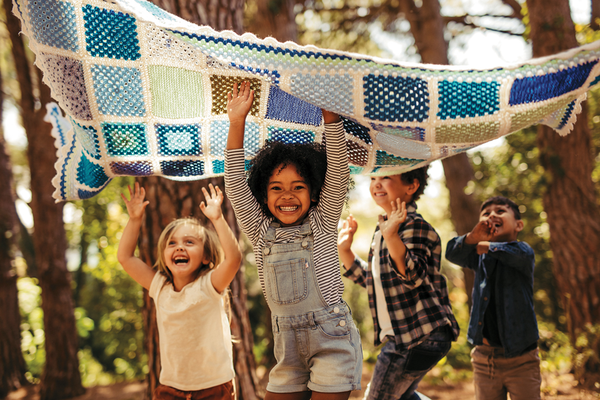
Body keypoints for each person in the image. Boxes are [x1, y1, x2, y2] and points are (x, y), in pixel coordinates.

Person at [224, 81, 362, 400]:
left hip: (332, 340)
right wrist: (237, 123)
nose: (287, 195)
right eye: (276, 188)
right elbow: (234, 184)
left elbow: (338, 172)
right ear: (262, 195)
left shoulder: (323, 221)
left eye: (298, 187)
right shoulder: (259, 230)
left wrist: (331, 118)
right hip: (285, 348)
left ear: (314, 194)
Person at [337, 167, 459, 400]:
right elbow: (373, 281)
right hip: (409, 336)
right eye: (373, 178)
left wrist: (392, 236)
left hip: (419, 335)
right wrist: (345, 250)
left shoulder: (414, 225)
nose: (376, 184)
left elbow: (412, 276)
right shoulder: (384, 229)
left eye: (386, 177)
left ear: (411, 186)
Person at [117, 182, 242, 400]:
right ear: (165, 255)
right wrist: (135, 219)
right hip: (170, 388)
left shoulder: (209, 286)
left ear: (206, 257)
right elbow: (125, 258)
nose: (179, 247)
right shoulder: (161, 287)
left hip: (213, 387)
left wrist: (217, 219)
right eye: (172, 243)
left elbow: (233, 259)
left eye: (189, 242)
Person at [445, 196, 541, 400]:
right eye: (486, 213)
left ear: (518, 225)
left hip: (522, 359)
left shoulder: (524, 253)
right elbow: (452, 253)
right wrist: (472, 238)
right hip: (484, 359)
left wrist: (488, 246)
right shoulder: (479, 256)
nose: (492, 215)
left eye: (500, 211)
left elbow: (515, 253)